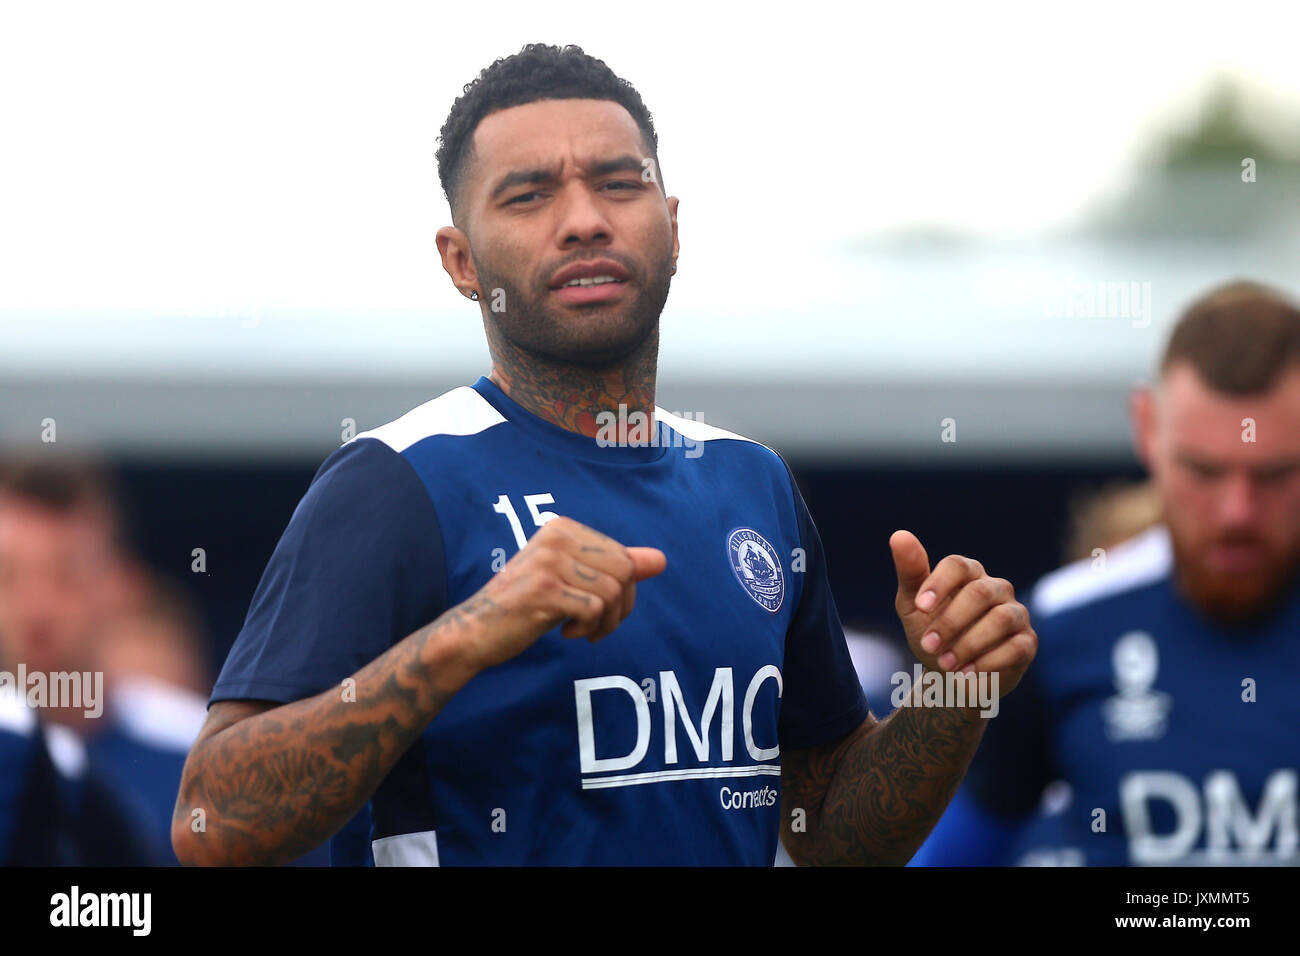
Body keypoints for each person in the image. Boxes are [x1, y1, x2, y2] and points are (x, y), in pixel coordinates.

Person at [174, 43, 1037, 867]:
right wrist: (464, 638)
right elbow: (211, 822)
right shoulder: (398, 480)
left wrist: (949, 697)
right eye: (529, 195)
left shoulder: (752, 482)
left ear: (670, 225)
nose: (584, 220)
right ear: (462, 262)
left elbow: (831, 841)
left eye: (619, 184)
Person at [912, 280, 1300, 865]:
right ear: (1147, 428)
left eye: (1274, 473)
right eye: (1204, 470)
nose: (1237, 513)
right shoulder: (1055, 629)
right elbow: (956, 851)